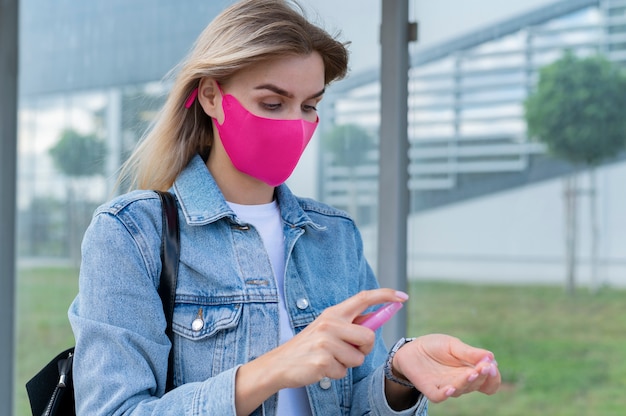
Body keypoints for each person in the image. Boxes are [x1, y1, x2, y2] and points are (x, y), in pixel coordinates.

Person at [68, 0, 501, 415]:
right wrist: (273, 369)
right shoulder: (130, 233)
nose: (294, 124)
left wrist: (399, 375)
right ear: (210, 97)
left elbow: (358, 403)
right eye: (272, 104)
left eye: (310, 106)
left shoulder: (335, 235)